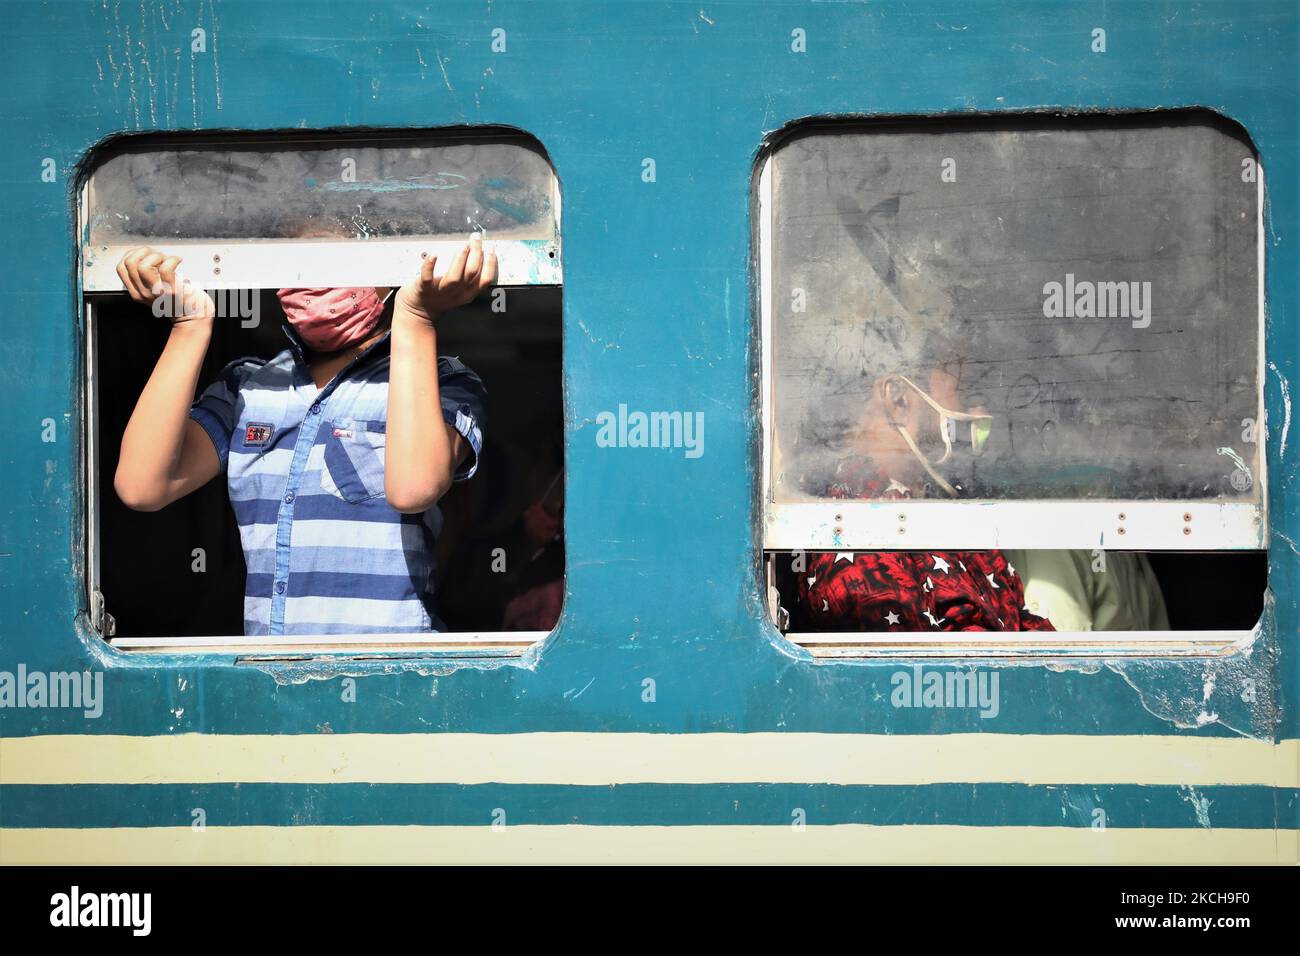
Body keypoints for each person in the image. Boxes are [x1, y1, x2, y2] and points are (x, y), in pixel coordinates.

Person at [113, 235, 495, 636]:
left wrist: (415, 317)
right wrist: (189, 326)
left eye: (339, 259)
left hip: (389, 680)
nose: (316, 279)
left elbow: (414, 489)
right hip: (271, 678)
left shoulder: (446, 383)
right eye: (301, 256)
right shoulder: (247, 387)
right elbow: (142, 486)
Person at [794, 360, 1055, 632]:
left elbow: (1028, 632)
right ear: (898, 399)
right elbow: (936, 666)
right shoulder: (854, 528)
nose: (980, 412)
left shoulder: (940, 510)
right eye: (967, 390)